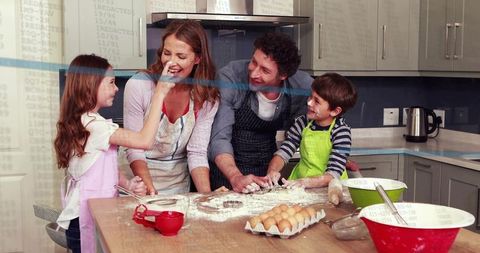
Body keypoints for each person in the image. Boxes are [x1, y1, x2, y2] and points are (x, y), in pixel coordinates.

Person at [54, 54, 174, 253]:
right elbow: (144, 141)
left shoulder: (85, 121)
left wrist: (127, 184)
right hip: (86, 218)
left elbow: (95, 168)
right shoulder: (95, 126)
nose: (116, 88)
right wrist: (159, 94)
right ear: (91, 85)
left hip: (91, 213)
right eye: (111, 83)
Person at [208, 32, 313, 193]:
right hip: (227, 171)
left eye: (265, 70)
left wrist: (336, 155)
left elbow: (325, 118)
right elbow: (220, 137)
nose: (254, 73)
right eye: (253, 62)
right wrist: (235, 176)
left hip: (268, 172)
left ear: (283, 75)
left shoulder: (302, 86)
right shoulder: (230, 77)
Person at [124, 20, 219, 195]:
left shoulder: (206, 97)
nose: (171, 62)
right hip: (136, 186)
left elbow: (197, 152)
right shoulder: (139, 85)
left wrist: (207, 196)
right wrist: (149, 190)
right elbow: (134, 148)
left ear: (197, 58)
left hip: (178, 189)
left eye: (181, 56)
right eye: (167, 53)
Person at [266, 73, 358, 188]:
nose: (309, 103)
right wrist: (272, 170)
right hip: (299, 183)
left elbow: (333, 174)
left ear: (335, 111)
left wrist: (305, 182)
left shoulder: (341, 132)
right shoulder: (303, 123)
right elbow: (284, 152)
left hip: (329, 189)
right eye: (310, 97)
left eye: (317, 101)